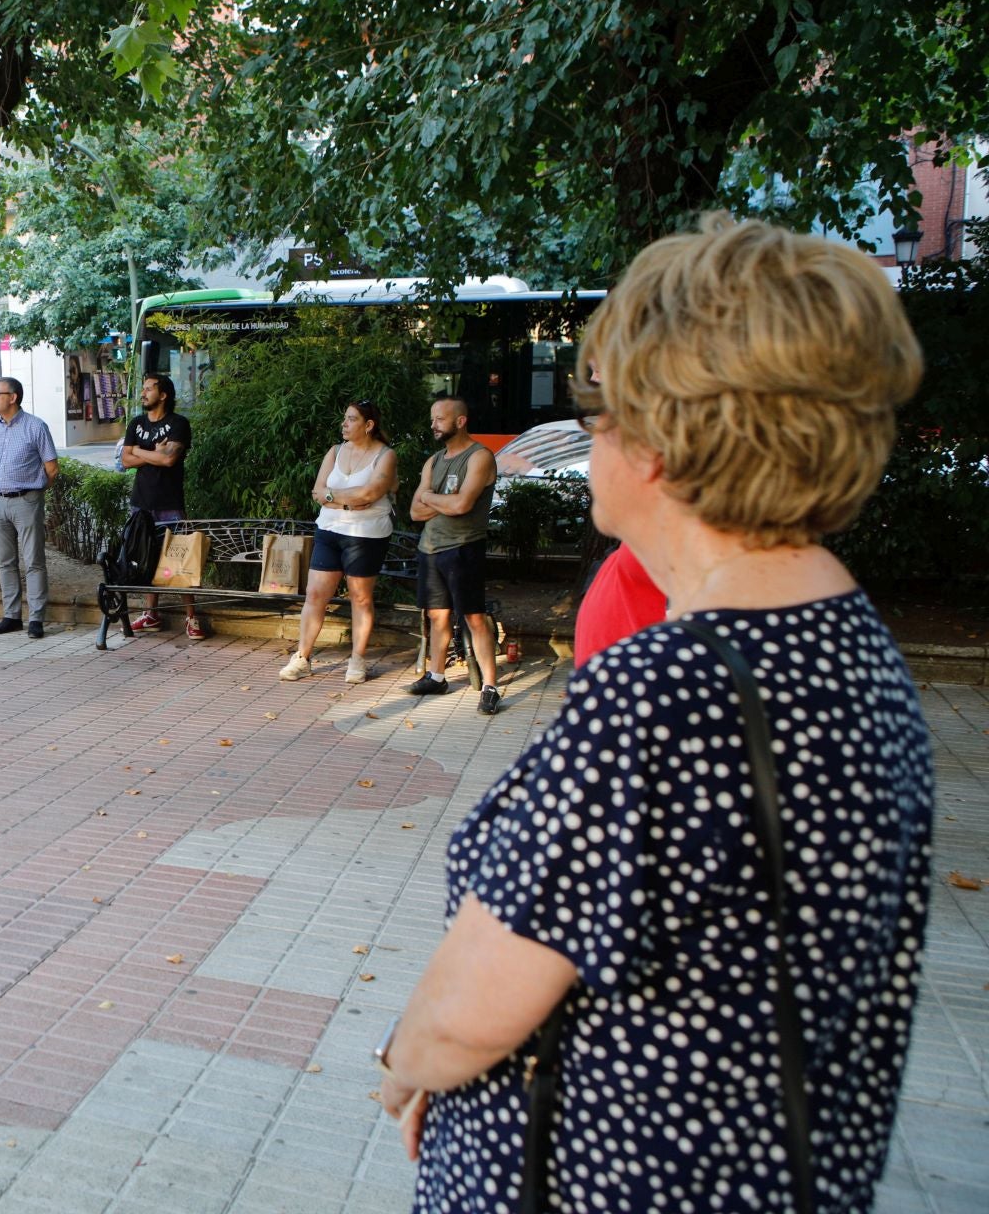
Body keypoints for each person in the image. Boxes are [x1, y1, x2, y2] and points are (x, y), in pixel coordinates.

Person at [378, 215, 932, 1214]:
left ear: (662, 446)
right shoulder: (848, 640)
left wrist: (408, 1054)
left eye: (600, 422)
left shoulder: (665, 688)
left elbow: (472, 1010)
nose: (592, 448)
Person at [279, 400, 396, 684]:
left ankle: (358, 659)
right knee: (316, 594)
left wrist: (336, 497)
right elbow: (318, 491)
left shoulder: (386, 456)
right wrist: (345, 500)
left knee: (360, 597)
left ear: (369, 425)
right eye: (344, 418)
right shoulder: (335, 451)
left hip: (366, 534)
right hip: (329, 530)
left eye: (351, 419)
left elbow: (370, 494)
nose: (344, 424)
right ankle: (302, 657)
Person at [407, 397, 502, 714]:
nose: (433, 424)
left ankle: (490, 686)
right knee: (437, 615)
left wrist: (432, 498)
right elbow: (414, 511)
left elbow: (462, 506)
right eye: (432, 418)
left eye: (440, 419)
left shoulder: (479, 457)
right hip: (430, 548)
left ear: (460, 421)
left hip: (464, 548)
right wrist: (443, 501)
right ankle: (436, 676)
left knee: (474, 617)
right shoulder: (433, 461)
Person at [120, 373, 203, 640]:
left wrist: (140, 452)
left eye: (148, 389)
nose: (143, 393)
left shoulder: (179, 424)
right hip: (141, 503)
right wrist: (154, 452)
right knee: (146, 558)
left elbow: (168, 461)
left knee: (179, 558)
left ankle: (192, 616)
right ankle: (151, 614)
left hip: (169, 503)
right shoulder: (136, 423)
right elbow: (125, 459)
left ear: (163, 394)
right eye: (143, 389)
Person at [0, 376, 58, 638]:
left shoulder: (36, 427)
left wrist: (32, 493)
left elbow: (51, 468)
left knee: (34, 561)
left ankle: (36, 619)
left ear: (12, 397)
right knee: (5, 562)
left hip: (27, 500)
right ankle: (11, 616)